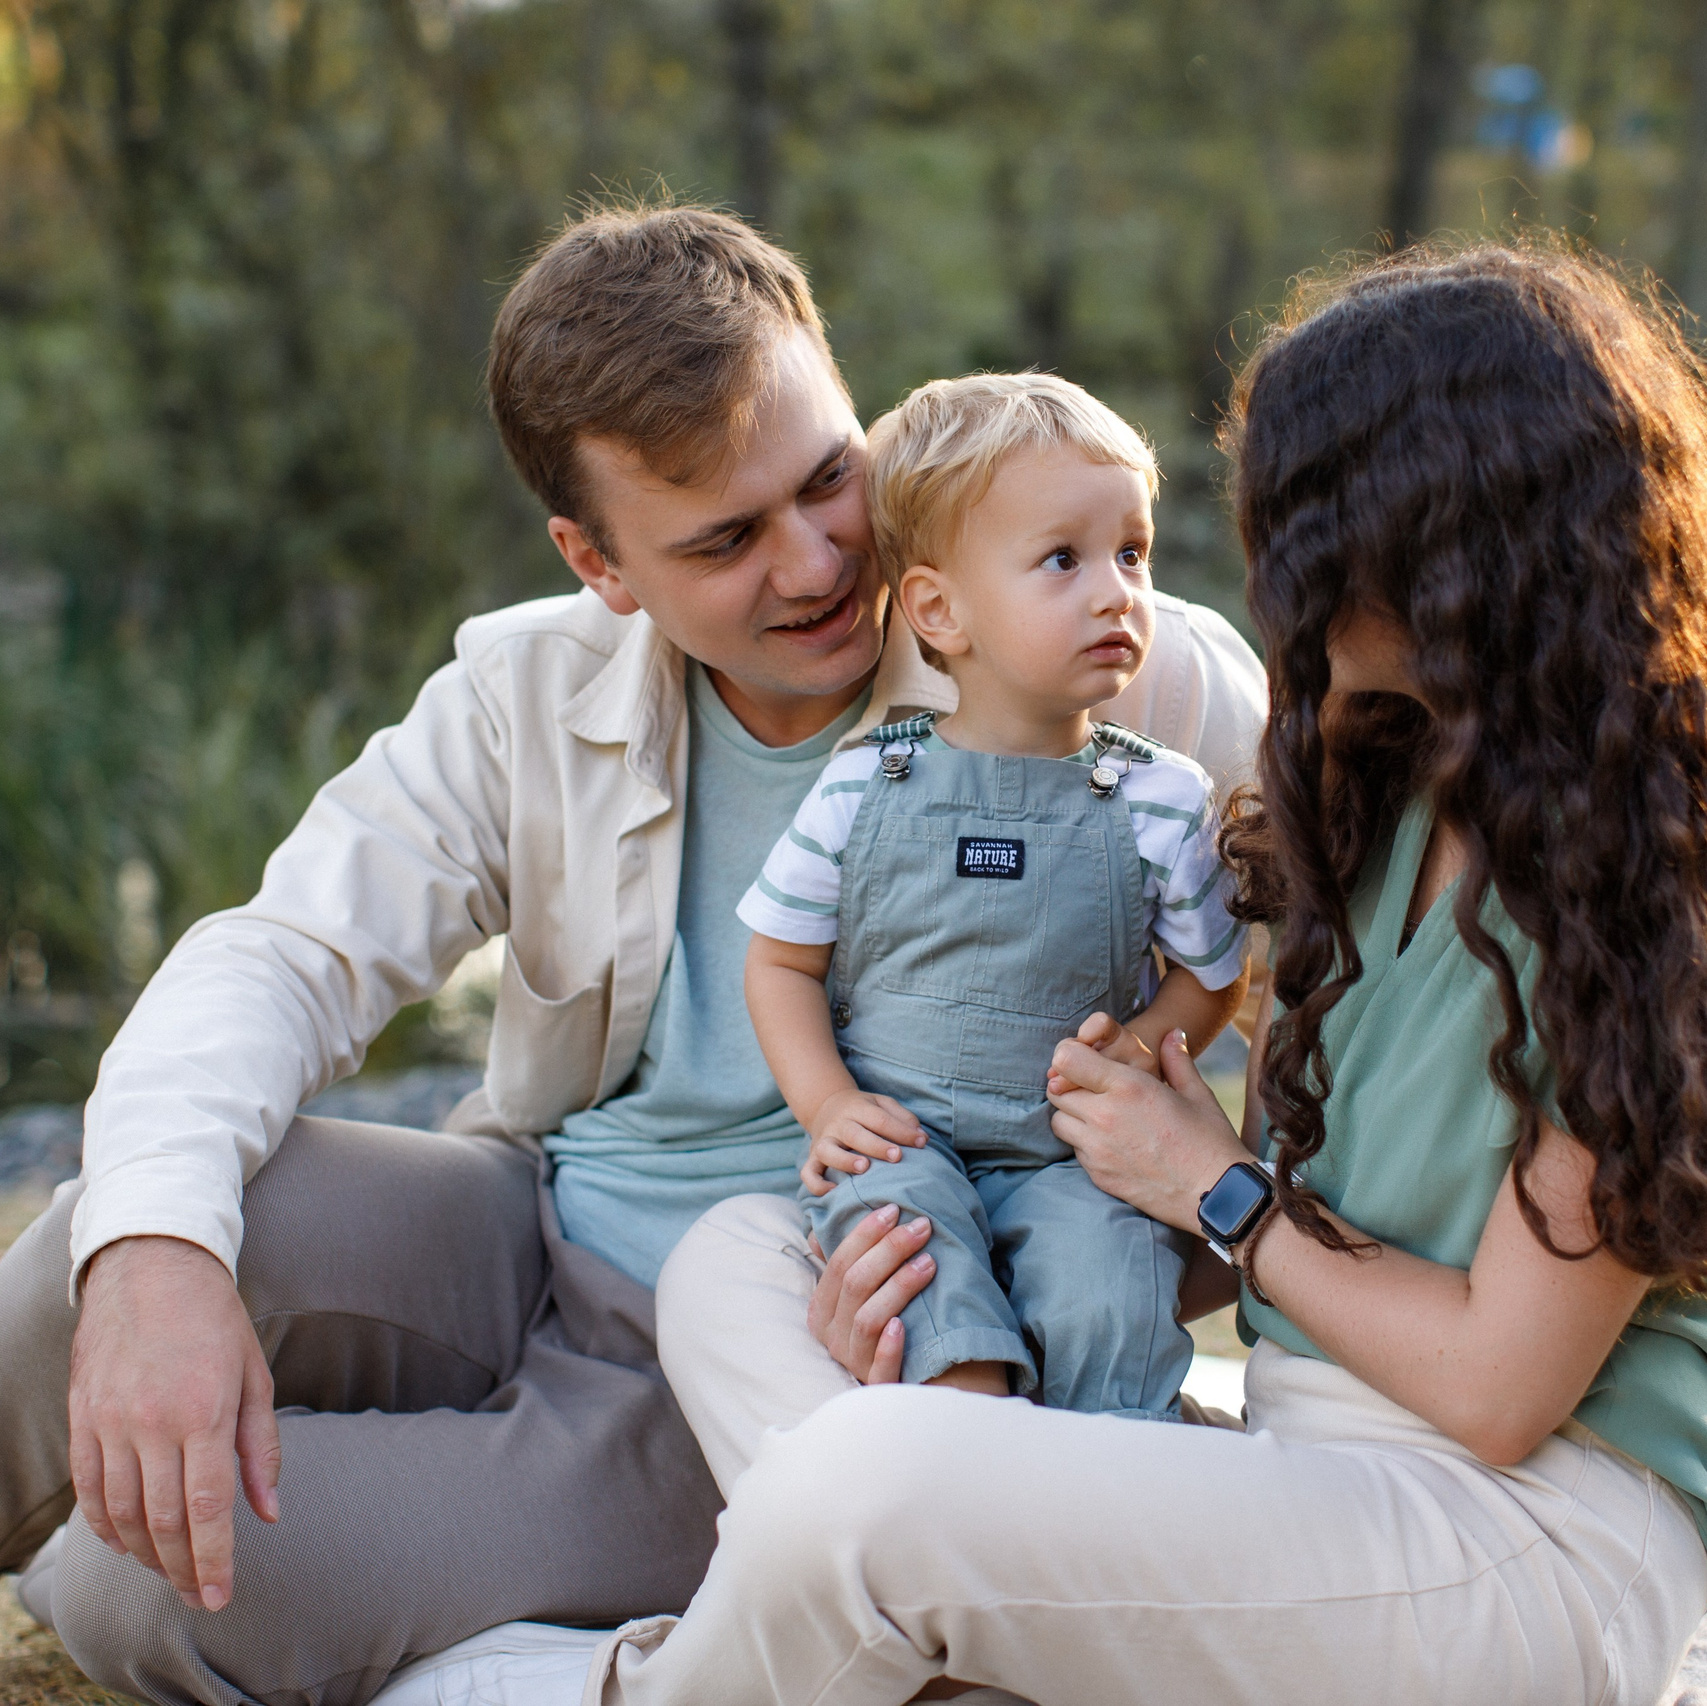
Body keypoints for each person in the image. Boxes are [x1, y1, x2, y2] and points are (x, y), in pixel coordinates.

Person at [0, 202, 1267, 1706]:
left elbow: (1339, 995)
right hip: (528, 1223)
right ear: (597, 561)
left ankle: (641, 1659)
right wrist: (158, 1256)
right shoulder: (524, 689)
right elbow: (277, 955)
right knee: (108, 1240)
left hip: (765, 1353)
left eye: (828, 477)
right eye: (726, 538)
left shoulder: (1122, 671)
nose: (818, 561)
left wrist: (1174, 1247)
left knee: (137, 1582)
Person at [598, 242, 1707, 1706]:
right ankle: (967, 1641)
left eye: (1302, 517)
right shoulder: (1376, 790)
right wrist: (952, 1264)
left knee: (864, 1489)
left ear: (1440, 539)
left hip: (1517, 1530)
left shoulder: (1647, 878)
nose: (1264, 566)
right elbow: (1294, 1248)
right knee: (739, 1257)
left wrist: (1213, 1184)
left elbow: (1497, 1389)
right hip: (1305, 1465)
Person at [740, 373, 1247, 1412]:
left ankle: (1117, 1474)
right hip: (901, 1137)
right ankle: (969, 1444)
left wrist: (1142, 1041)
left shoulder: (1159, 800)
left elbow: (1212, 977)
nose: (1116, 592)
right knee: (917, 1288)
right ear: (939, 608)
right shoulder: (864, 782)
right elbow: (779, 959)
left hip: (1072, 1156)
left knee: (1109, 1295)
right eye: (1064, 559)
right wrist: (828, 1103)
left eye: (1132, 552)